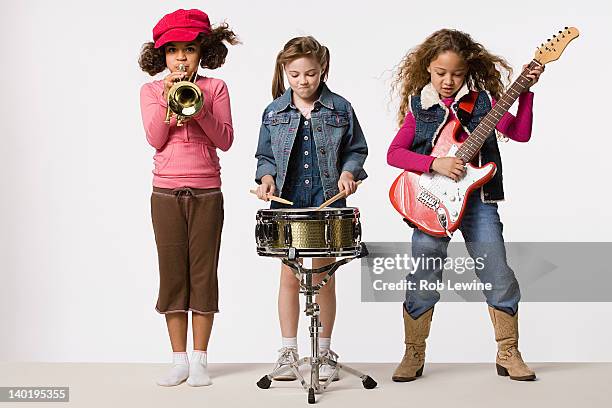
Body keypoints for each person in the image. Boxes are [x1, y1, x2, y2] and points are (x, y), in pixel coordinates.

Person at [387, 28, 544, 382]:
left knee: (497, 271)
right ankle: (413, 352)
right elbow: (394, 154)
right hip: (432, 205)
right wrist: (434, 164)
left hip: (479, 202)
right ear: (428, 67)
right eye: (441, 73)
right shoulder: (420, 106)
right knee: (423, 274)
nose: (448, 80)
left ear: (467, 71)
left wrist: (527, 91)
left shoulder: (485, 103)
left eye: (456, 74)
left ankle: (508, 351)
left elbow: (520, 133)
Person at [254, 36, 368, 382]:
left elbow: (356, 149)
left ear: (323, 71)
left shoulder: (341, 108)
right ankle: (289, 351)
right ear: (284, 72)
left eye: (311, 74)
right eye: (295, 75)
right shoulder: (274, 112)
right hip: (288, 205)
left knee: (322, 278)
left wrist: (349, 173)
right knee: (289, 276)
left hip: (327, 201)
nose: (303, 81)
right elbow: (265, 156)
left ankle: (323, 352)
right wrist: (266, 179)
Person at [138, 8, 238, 387]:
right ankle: (177, 359)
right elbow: (154, 138)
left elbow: (225, 140)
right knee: (172, 275)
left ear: (203, 52)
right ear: (161, 56)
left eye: (190, 49)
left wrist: (197, 112)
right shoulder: (151, 90)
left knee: (202, 274)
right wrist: (169, 106)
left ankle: (200, 360)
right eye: (173, 51)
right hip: (165, 191)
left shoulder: (215, 89)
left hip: (207, 190)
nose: (181, 58)